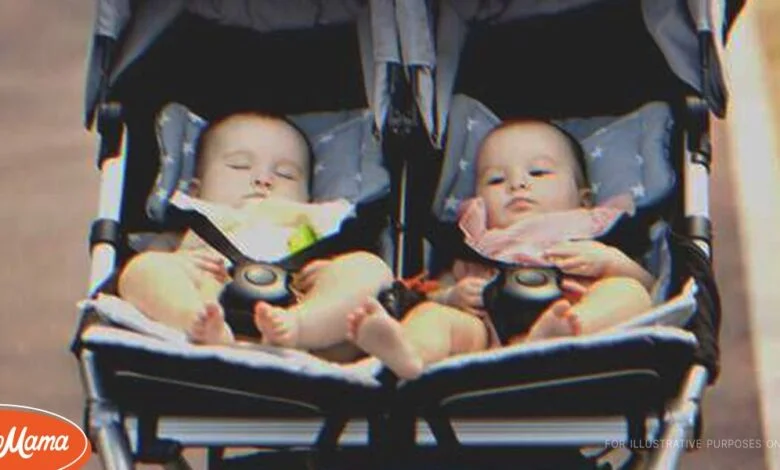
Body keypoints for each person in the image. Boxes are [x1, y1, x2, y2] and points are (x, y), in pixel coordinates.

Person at [345, 120, 654, 379]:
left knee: (629, 291)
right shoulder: (475, 240)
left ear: (584, 199)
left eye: (539, 173)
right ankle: (410, 352)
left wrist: (612, 262)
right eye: (495, 180)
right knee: (432, 315)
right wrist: (451, 296)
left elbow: (651, 287)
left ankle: (569, 330)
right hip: (487, 332)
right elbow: (432, 289)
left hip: (573, 307)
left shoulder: (595, 230)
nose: (517, 184)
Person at [118, 112, 393, 357]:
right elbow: (154, 265)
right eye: (239, 166)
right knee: (142, 269)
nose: (263, 180)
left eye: (286, 174)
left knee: (369, 267)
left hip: (297, 302)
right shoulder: (195, 223)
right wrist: (179, 263)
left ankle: (301, 327)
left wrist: (330, 273)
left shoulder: (309, 223)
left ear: (308, 197)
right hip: (207, 294)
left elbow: (342, 269)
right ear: (195, 190)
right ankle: (192, 319)